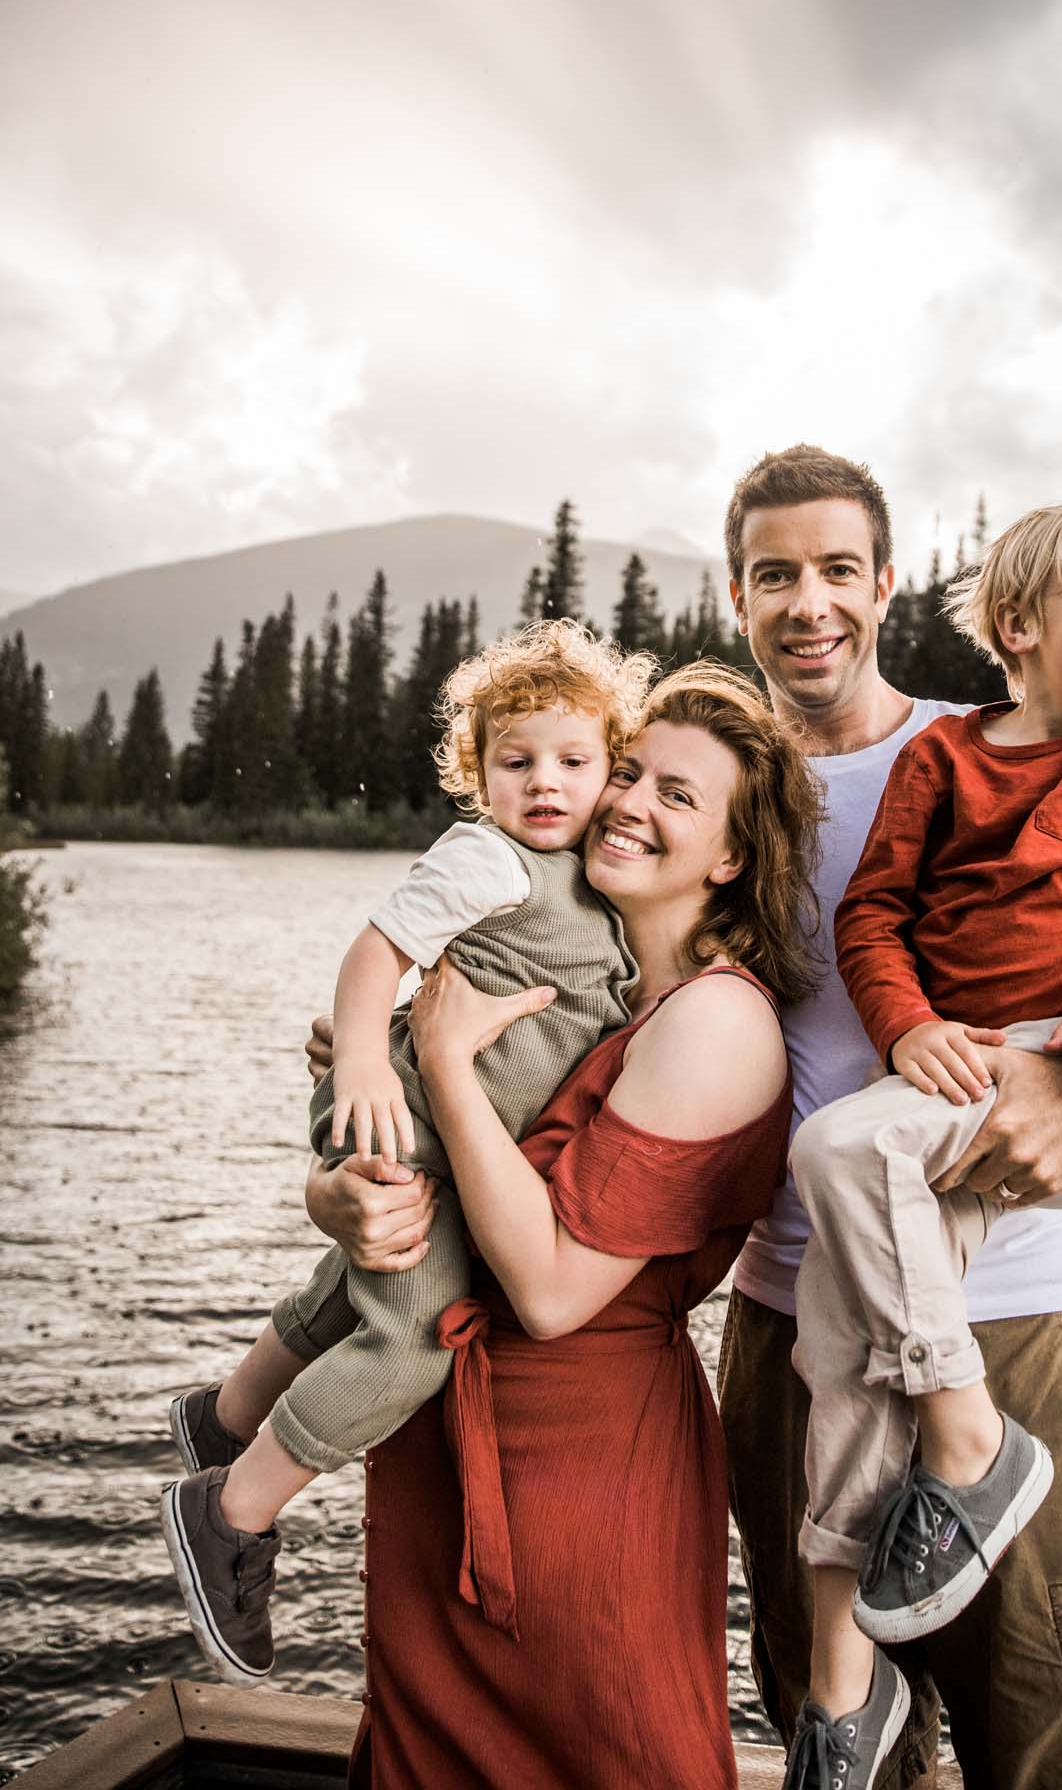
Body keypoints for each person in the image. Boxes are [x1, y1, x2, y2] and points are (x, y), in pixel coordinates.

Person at [713, 447, 1062, 1790]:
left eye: (838, 570)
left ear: (886, 584)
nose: (808, 604)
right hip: (789, 1317)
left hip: (1016, 1313)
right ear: (735, 596)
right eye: (773, 575)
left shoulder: (1013, 742)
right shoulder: (704, 790)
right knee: (839, 1722)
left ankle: (979, 1449)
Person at [306, 662, 826, 1790]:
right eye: (629, 771)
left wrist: (442, 1055)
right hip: (438, 1418)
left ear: (731, 855)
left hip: (581, 1463)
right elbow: (411, 1158)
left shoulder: (717, 1020)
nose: (630, 800)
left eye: (678, 795)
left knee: (618, 1748)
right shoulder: (572, 975)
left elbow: (547, 1287)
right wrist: (343, 1201)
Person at [161, 619, 651, 1686]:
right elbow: (377, 948)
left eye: (573, 761)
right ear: (477, 773)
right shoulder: (486, 856)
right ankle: (230, 1509)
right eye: (515, 762)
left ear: (614, 764)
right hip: (394, 1118)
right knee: (418, 1335)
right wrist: (364, 1073)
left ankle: (225, 1414)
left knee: (358, 1290)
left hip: (437, 1134)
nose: (546, 783)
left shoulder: (602, 891)